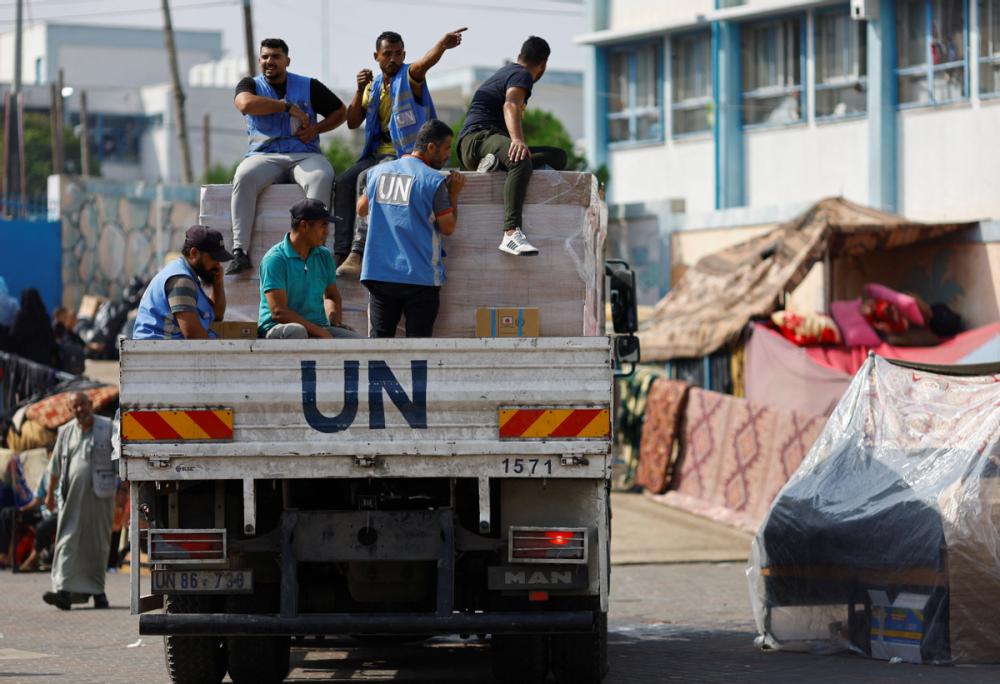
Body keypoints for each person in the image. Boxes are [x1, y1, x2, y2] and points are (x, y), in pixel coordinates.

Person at [334, 28, 466, 277]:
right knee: (343, 181)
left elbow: (424, 63)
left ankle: (358, 252)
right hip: (375, 154)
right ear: (377, 56)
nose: (393, 59)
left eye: (398, 54)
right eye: (387, 54)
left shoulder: (409, 76)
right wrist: (359, 89)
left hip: (404, 155)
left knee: (367, 179)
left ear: (404, 55)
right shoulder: (372, 87)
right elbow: (352, 122)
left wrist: (441, 45)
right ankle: (339, 252)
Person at [227, 38, 349, 275]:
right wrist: (285, 106)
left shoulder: (309, 85)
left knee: (322, 176)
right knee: (243, 175)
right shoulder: (249, 84)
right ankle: (240, 252)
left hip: (304, 155)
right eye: (264, 57)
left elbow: (341, 112)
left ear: (287, 60)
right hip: (264, 156)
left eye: (275, 56)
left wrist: (316, 129)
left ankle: (315, 252)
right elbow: (244, 104)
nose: (269, 61)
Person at [456, 36, 568, 257]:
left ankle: (495, 165)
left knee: (557, 156)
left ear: (519, 56)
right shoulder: (522, 73)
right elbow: (511, 104)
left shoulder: (507, 71)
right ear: (543, 64)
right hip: (478, 138)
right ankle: (511, 234)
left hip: (484, 143)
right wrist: (517, 139)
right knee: (520, 159)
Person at [357, 119, 465, 337]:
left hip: (380, 273)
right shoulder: (434, 180)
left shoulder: (378, 172)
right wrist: (453, 194)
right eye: (446, 149)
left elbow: (361, 209)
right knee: (417, 350)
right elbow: (448, 227)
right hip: (420, 277)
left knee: (379, 346)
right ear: (431, 147)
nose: (448, 156)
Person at [42, 392, 116, 610]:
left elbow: (120, 461)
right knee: (67, 539)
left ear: (90, 404)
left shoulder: (109, 427)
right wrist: (49, 495)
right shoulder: (65, 432)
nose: (80, 409)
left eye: (83, 404)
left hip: (101, 495)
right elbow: (55, 467)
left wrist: (122, 490)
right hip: (71, 495)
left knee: (98, 541)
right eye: (75, 406)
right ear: (71, 410)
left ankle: (97, 592)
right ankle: (62, 590)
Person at [258, 198, 365, 339]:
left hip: (318, 327)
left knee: (359, 342)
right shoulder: (275, 259)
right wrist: (321, 333)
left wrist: (335, 323)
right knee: (297, 331)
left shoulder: (324, 255)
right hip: (277, 328)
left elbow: (331, 295)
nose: (327, 231)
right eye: (323, 225)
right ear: (304, 226)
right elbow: (279, 312)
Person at [132, 226, 232, 340]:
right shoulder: (180, 280)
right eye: (213, 258)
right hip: (160, 353)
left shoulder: (184, 274)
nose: (218, 264)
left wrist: (217, 283)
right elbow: (193, 334)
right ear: (194, 253)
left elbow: (216, 316)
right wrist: (219, 356)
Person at [0, 467, 59, 571]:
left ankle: (34, 559)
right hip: (43, 512)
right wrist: (22, 510)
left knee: (43, 527)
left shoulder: (68, 473)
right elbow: (37, 500)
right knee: (8, 513)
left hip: (59, 513)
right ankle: (3, 554)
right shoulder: (45, 474)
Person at [9, 288, 58, 366]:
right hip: (44, 358)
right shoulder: (45, 316)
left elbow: (14, 336)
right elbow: (50, 338)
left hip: (25, 360)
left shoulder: (21, 316)